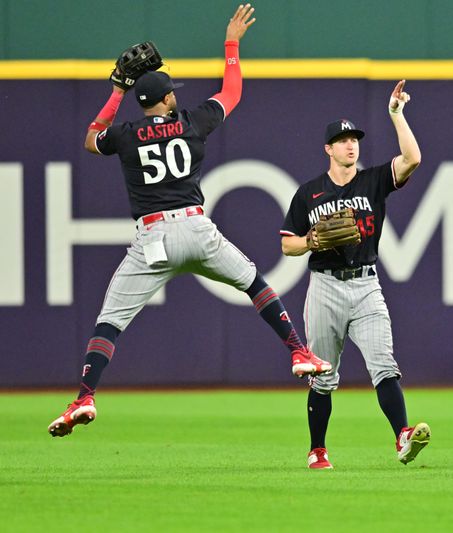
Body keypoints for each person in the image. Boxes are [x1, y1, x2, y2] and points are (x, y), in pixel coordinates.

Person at [48, 4, 331, 438]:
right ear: (166, 99)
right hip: (198, 229)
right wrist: (231, 44)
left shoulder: (125, 136)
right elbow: (232, 92)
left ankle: (85, 396)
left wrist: (118, 90)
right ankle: (298, 353)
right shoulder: (190, 122)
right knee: (255, 283)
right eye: (171, 92)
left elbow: (91, 138)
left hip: (153, 237)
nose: (174, 95)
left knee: (110, 321)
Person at [280, 81, 430, 469]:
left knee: (384, 364)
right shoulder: (309, 193)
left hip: (366, 284)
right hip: (325, 286)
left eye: (354, 140)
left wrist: (397, 114)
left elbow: (412, 158)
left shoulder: (373, 180)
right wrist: (311, 240)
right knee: (324, 376)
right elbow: (287, 245)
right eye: (343, 140)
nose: (351, 145)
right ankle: (317, 449)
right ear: (328, 149)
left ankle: (402, 436)